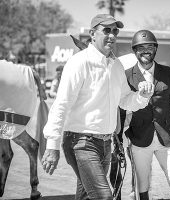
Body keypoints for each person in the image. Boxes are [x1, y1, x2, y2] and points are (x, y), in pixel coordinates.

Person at [41, 14, 154, 200]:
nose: (112, 35)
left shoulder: (116, 65)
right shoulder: (79, 62)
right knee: (103, 196)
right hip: (81, 143)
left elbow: (125, 100)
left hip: (105, 143)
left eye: (115, 31)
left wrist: (142, 96)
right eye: (106, 30)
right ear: (93, 34)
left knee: (86, 196)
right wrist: (52, 145)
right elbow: (61, 104)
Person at [119, 30, 170, 200]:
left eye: (150, 46)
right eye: (141, 47)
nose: (146, 50)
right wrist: (118, 139)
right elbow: (121, 109)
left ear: (155, 49)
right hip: (138, 139)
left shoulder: (169, 73)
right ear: (134, 51)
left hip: (168, 138)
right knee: (142, 187)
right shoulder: (126, 76)